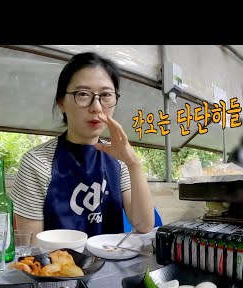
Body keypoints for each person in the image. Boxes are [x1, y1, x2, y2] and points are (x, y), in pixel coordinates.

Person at [10, 52, 154, 242]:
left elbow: (143, 225)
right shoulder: (37, 162)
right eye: (83, 94)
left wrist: (133, 162)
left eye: (106, 95)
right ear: (61, 102)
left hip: (111, 267)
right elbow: (32, 249)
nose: (97, 107)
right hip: (58, 268)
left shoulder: (119, 159)